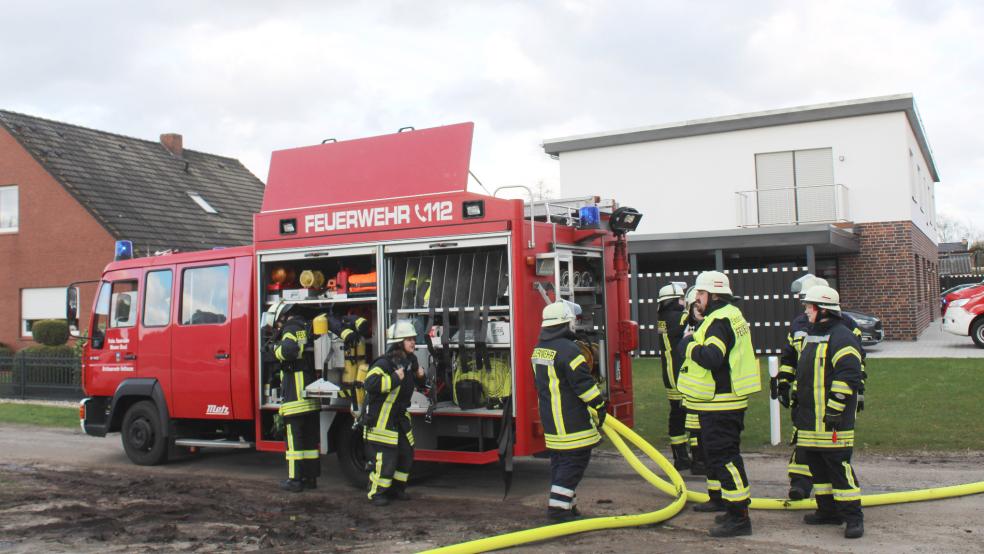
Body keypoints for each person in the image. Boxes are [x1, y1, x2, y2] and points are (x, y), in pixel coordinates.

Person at [677, 271, 759, 538]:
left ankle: (739, 517)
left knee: (726, 459)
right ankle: (730, 507)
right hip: (723, 401)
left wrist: (688, 345)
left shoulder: (719, 320)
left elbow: (712, 357)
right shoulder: (730, 315)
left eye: (700, 294)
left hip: (721, 403)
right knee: (722, 457)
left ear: (712, 294)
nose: (696, 299)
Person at [775, 274, 868, 501]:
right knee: (805, 443)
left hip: (833, 397)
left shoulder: (845, 328)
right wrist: (784, 382)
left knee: (834, 454)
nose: (805, 309)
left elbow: (854, 364)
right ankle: (802, 485)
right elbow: (790, 357)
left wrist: (857, 394)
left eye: (807, 303)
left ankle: (844, 502)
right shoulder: (799, 324)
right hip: (807, 397)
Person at [793, 285, 864, 539]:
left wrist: (834, 410)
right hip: (812, 422)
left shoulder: (841, 336)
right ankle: (828, 511)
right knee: (818, 469)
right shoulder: (813, 335)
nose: (806, 312)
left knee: (839, 469)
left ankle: (854, 518)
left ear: (823, 310)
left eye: (809, 307)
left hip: (832, 422)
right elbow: (807, 374)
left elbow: (849, 375)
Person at [532, 300, 607, 523]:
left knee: (561, 464)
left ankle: (568, 506)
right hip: (571, 422)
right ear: (565, 324)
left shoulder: (540, 350)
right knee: (574, 464)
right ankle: (558, 511)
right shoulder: (570, 351)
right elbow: (584, 385)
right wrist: (599, 405)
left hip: (553, 424)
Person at [363, 320, 425, 506]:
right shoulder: (384, 363)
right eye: (408, 339)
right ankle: (377, 493)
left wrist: (421, 377)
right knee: (386, 458)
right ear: (398, 342)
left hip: (399, 417)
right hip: (382, 419)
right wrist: (393, 379)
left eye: (413, 339)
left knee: (406, 453)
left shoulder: (409, 362)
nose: (413, 342)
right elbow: (370, 384)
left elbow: (415, 385)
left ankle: (397, 489)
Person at [269, 302, 321, 493]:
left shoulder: (290, 328)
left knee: (294, 442)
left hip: (295, 395)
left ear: (282, 317)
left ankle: (295, 480)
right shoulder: (305, 327)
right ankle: (310, 478)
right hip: (310, 394)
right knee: (309, 441)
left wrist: (275, 349)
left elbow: (289, 351)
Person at [656, 283, 690, 469]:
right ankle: (693, 457)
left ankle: (681, 457)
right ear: (675, 300)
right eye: (682, 298)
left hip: (669, 373)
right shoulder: (679, 317)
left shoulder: (664, 318)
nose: (684, 301)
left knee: (677, 415)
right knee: (689, 415)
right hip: (679, 374)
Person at [681, 286, 706, 476]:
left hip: (707, 389)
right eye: (694, 307)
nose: (698, 310)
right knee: (694, 429)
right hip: (692, 390)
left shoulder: (712, 327)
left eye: (700, 306)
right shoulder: (688, 327)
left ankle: (704, 459)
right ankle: (697, 459)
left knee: (707, 429)